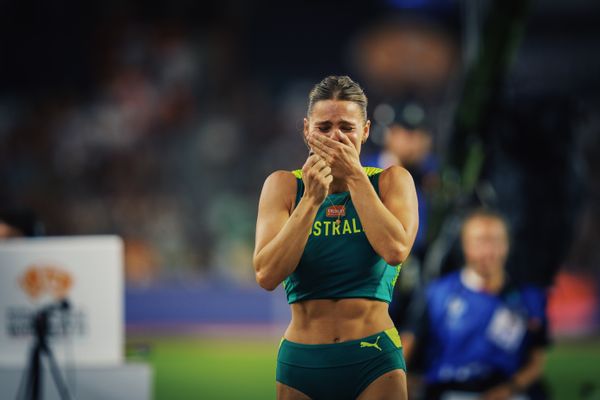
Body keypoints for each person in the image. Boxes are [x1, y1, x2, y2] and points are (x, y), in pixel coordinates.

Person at [253, 75, 419, 400]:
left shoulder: (391, 182)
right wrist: (312, 200)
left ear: (366, 131)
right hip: (302, 361)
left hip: (374, 359)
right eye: (324, 127)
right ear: (306, 130)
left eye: (347, 127)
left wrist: (355, 177)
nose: (336, 138)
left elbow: (396, 249)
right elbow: (266, 274)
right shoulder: (284, 186)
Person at [401, 209, 549, 400]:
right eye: (480, 241)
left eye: (495, 241)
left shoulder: (529, 298)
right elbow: (406, 346)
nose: (488, 250)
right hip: (448, 392)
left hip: (508, 393)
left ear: (507, 245)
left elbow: (536, 363)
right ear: (465, 245)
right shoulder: (437, 293)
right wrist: (402, 382)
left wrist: (507, 390)